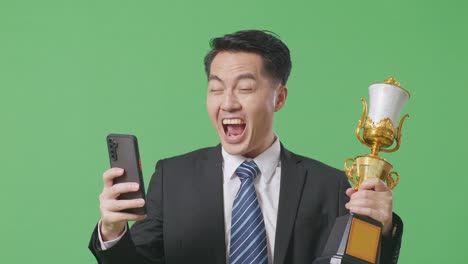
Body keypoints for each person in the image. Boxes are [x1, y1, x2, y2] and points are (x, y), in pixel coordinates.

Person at [89, 30, 403, 264]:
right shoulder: (172, 177)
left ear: (279, 98)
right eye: (215, 89)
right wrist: (113, 231)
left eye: (245, 88)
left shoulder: (329, 184)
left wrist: (381, 228)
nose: (227, 103)